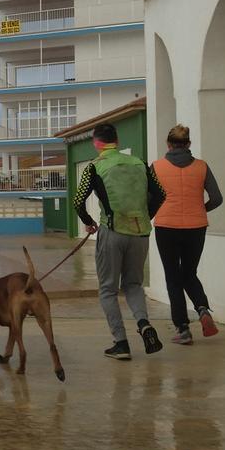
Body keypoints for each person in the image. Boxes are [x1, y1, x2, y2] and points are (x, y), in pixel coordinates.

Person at [72, 123, 167, 361]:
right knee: (134, 285)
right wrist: (146, 216)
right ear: (117, 139)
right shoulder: (140, 164)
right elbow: (161, 194)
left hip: (112, 232)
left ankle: (121, 343)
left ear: (96, 143)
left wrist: (89, 222)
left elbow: (77, 200)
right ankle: (144, 324)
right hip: (141, 233)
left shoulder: (95, 166)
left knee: (108, 290)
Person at [152, 125, 223, 344]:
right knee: (189, 273)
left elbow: (149, 199)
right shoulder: (202, 167)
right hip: (196, 227)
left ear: (168, 144)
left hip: (166, 227)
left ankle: (183, 329)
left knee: (173, 278)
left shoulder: (156, 167)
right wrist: (201, 209)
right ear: (189, 144)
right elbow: (217, 198)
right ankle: (202, 309)